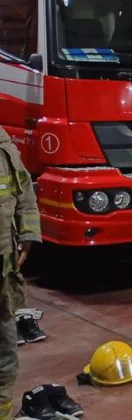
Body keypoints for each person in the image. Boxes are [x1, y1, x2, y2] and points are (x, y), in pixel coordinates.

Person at [0, 127, 40, 419]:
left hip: (3, 261)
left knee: (5, 342)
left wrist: (28, 232)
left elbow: (23, 190)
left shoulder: (1, 140)